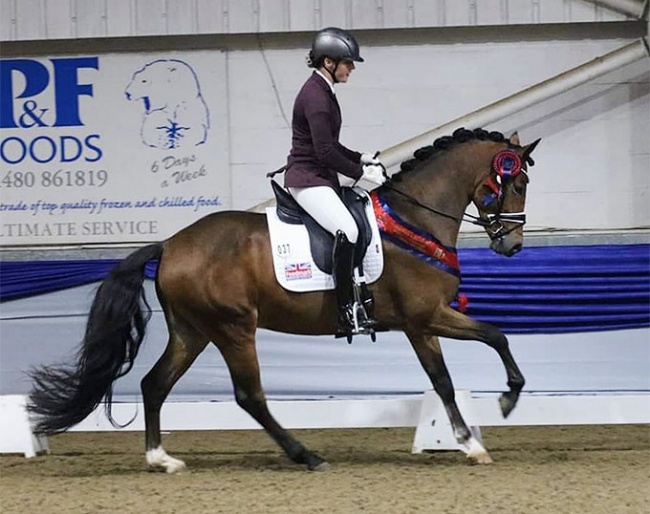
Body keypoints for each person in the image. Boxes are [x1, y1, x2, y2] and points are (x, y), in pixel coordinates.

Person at [284, 27, 386, 335]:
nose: (352, 68)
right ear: (329, 62)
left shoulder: (323, 90)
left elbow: (331, 143)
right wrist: (360, 174)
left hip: (320, 177)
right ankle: (346, 310)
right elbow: (324, 151)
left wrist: (360, 158)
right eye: (348, 62)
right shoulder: (315, 95)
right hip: (307, 179)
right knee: (349, 229)